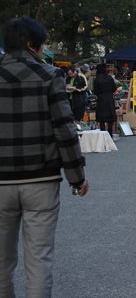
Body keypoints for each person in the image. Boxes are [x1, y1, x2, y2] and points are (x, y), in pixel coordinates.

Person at [0, 17, 89, 298]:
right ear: (31, 45)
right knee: (39, 259)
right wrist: (77, 178)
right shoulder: (50, 76)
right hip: (41, 179)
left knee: (1, 261)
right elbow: (65, 130)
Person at [94, 63, 120, 137]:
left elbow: (95, 91)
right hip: (109, 98)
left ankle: (103, 134)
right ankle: (110, 133)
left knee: (102, 118)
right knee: (110, 117)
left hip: (101, 99)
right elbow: (114, 88)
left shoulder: (97, 79)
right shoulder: (109, 78)